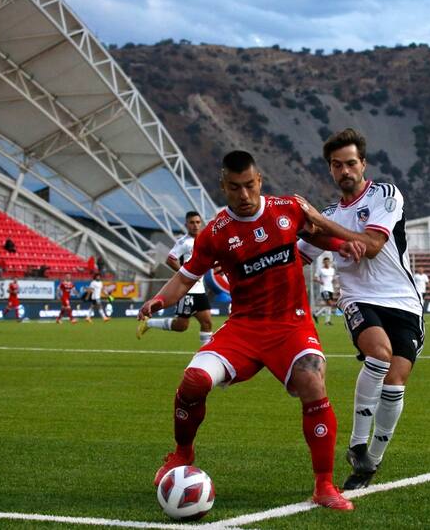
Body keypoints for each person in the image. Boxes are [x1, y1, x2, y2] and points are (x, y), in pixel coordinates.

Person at [140, 150, 365, 510]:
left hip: (291, 324)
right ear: (223, 187)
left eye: (249, 186)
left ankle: (324, 485)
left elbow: (316, 234)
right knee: (193, 381)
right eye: (234, 188)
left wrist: (343, 243)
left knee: (311, 380)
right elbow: (185, 277)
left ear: (259, 180)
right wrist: (158, 302)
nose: (243, 196)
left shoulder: (287, 209)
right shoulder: (214, 233)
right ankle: (182, 453)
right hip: (244, 327)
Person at [296, 128, 425, 490]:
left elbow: (370, 245)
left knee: (396, 378)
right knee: (380, 354)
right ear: (331, 171)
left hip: (403, 301)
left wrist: (319, 225)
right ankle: (356, 444)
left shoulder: (385, 193)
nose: (345, 171)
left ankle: (370, 463)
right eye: (337, 165)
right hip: (358, 298)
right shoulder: (330, 212)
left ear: (363, 164)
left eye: (351, 163)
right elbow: (299, 255)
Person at [137, 211, 214, 346]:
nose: (195, 225)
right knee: (181, 326)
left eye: (197, 222)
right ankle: (149, 323)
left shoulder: (203, 240)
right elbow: (171, 259)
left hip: (200, 290)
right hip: (186, 290)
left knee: (207, 323)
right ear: (186, 225)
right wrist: (187, 274)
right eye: (192, 222)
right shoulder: (184, 242)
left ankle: (205, 355)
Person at [314, 256, 337, 325]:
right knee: (330, 303)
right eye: (325, 262)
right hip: (324, 289)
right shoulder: (321, 270)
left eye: (328, 261)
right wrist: (320, 281)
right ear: (323, 262)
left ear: (329, 262)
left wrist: (334, 280)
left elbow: (333, 278)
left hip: (331, 289)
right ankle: (323, 318)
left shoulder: (332, 270)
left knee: (328, 305)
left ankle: (325, 320)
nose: (327, 263)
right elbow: (314, 278)